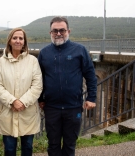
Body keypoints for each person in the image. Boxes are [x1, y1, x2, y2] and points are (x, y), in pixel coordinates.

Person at [38, 16, 97, 156]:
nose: (58, 33)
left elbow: (90, 75)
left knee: (70, 145)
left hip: (73, 107)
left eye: (62, 30)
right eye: (55, 31)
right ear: (50, 33)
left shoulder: (80, 50)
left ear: (68, 31)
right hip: (51, 108)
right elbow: (38, 79)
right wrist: (40, 98)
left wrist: (92, 97)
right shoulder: (44, 53)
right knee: (53, 144)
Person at [0, 28, 43, 156]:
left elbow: (37, 86)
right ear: (9, 41)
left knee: (27, 147)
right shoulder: (1, 62)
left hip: (28, 112)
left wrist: (22, 102)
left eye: (21, 38)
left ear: (24, 42)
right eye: (15, 38)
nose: (18, 41)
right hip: (8, 112)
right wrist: (13, 101)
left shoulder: (32, 61)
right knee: (9, 149)